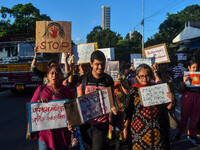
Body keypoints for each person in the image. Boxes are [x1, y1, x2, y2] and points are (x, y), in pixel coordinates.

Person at [123, 64, 174, 150]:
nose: (144, 78)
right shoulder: (133, 91)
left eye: (147, 76)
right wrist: (125, 129)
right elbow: (127, 112)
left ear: (150, 76)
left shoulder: (157, 89)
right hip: (139, 133)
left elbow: (165, 109)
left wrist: (171, 101)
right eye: (141, 76)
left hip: (157, 132)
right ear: (137, 77)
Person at [76, 50, 117, 150]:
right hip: (86, 123)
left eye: (102, 64)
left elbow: (111, 98)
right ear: (91, 64)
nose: (100, 67)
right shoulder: (83, 79)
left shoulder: (108, 80)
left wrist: (113, 107)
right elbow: (79, 99)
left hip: (102, 122)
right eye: (97, 64)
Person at [27, 64, 73, 150]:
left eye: (57, 73)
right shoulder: (41, 89)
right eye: (51, 73)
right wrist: (39, 104)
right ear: (47, 75)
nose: (54, 76)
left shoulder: (66, 90)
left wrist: (71, 123)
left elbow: (72, 109)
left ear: (61, 75)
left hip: (62, 134)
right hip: (45, 134)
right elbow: (32, 109)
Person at [175, 60, 200, 146]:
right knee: (184, 117)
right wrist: (184, 82)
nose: (195, 69)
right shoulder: (185, 75)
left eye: (196, 67)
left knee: (195, 117)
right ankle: (180, 132)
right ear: (189, 67)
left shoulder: (199, 75)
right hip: (187, 97)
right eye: (193, 67)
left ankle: (192, 134)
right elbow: (181, 89)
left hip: (197, 97)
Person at [158, 63, 179, 129]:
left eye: (166, 64)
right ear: (159, 66)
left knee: (172, 122)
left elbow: (175, 87)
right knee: (171, 124)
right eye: (163, 64)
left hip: (171, 101)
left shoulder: (169, 74)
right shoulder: (157, 75)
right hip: (163, 103)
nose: (165, 66)